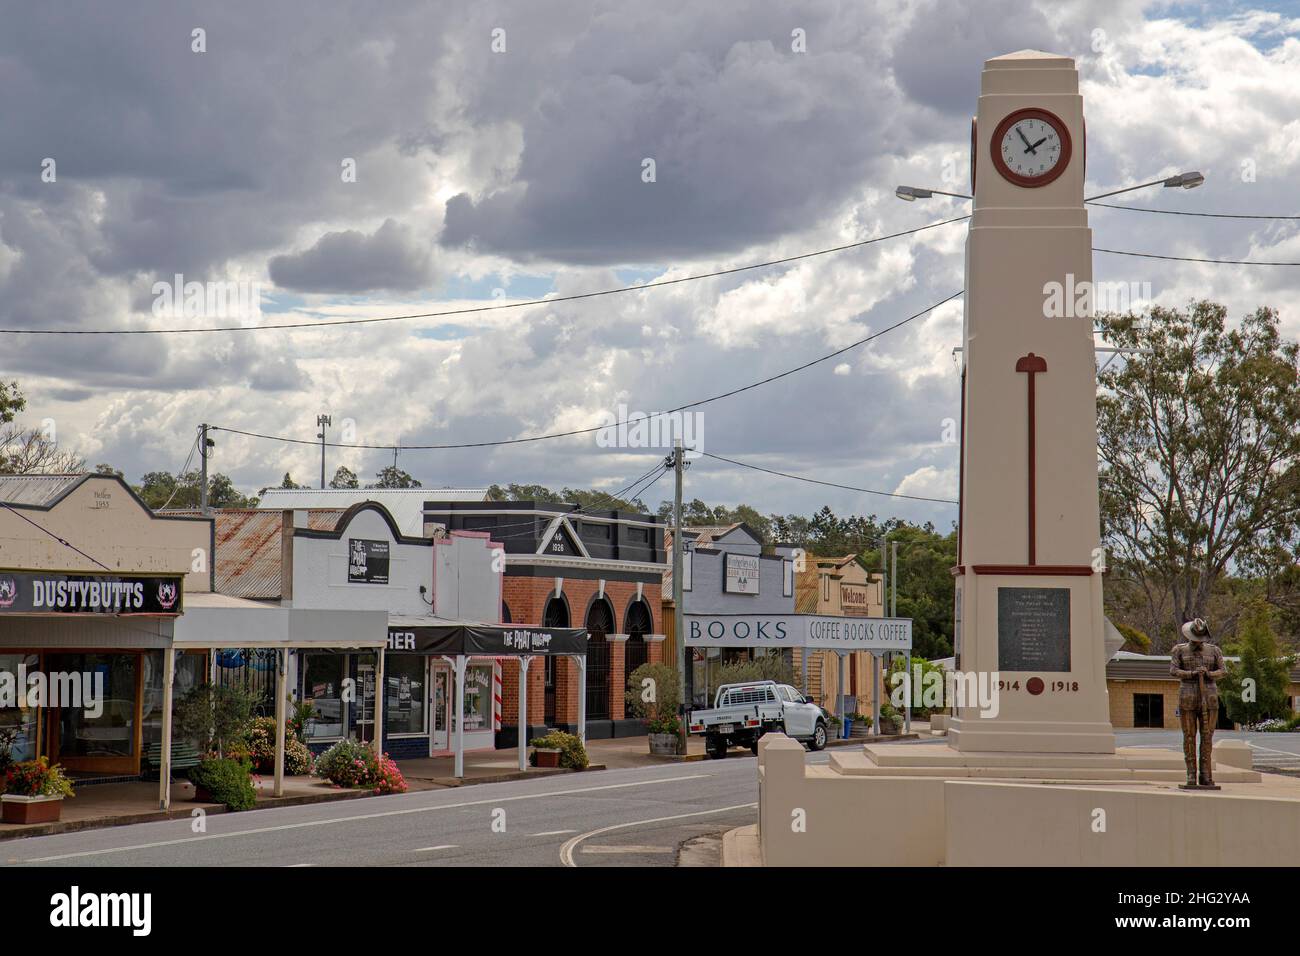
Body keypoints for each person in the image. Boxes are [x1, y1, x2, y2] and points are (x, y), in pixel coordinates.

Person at [1168, 618, 1227, 787]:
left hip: (1209, 697)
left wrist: (1208, 673)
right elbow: (1173, 670)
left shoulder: (1214, 651)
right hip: (1187, 695)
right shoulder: (1179, 650)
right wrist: (1192, 673)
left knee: (1207, 736)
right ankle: (1191, 774)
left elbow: (1223, 670)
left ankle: (1206, 774)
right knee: (1189, 736)